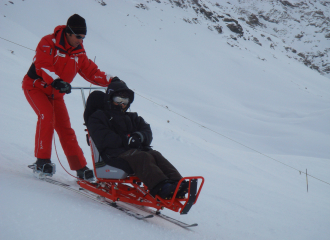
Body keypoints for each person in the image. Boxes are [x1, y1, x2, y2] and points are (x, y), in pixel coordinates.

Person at [22, 14, 119, 179]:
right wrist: (57, 81)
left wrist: (112, 82)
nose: (80, 40)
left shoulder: (78, 52)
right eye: (78, 36)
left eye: (83, 37)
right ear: (68, 32)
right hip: (35, 87)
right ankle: (42, 160)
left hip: (56, 95)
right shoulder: (48, 43)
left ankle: (80, 167)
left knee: (66, 129)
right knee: (47, 116)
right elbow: (43, 67)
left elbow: (90, 71)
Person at [84, 81, 189, 199]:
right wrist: (127, 140)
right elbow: (103, 138)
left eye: (125, 101)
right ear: (110, 98)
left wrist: (139, 137)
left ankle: (178, 184)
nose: (122, 104)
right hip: (112, 154)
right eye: (119, 100)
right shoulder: (98, 117)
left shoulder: (132, 117)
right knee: (143, 157)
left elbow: (146, 130)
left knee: (155, 154)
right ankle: (162, 188)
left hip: (132, 152)